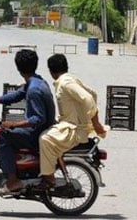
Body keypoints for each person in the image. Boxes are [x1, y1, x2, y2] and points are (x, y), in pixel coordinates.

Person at [0, 49, 55, 194]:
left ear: (18, 69)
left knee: (3, 137)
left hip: (37, 133)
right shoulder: (37, 81)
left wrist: (13, 124)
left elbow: (38, 118)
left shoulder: (34, 89)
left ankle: (12, 181)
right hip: (42, 129)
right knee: (4, 132)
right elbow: (15, 96)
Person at [39, 53, 107, 189]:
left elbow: (88, 98)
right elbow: (93, 93)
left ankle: (49, 179)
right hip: (72, 125)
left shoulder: (66, 83)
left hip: (73, 131)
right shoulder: (70, 79)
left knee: (44, 139)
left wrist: (95, 123)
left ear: (51, 71)